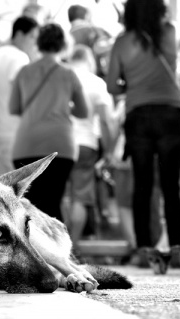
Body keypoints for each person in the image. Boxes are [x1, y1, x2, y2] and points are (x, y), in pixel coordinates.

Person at [106, 0, 180, 261]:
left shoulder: (122, 41)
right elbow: (174, 63)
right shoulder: (171, 31)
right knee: (171, 185)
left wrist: (131, 84)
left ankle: (144, 248)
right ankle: (176, 247)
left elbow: (112, 86)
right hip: (171, 111)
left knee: (143, 183)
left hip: (138, 114)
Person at [10, 23, 88, 222]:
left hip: (27, 144)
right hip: (61, 145)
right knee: (53, 205)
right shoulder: (69, 74)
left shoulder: (24, 72)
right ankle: (56, 251)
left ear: (38, 43)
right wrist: (61, 107)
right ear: (63, 44)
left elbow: (14, 108)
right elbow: (83, 111)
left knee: (29, 209)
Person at [65, 44, 115, 249]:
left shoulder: (61, 76)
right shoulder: (97, 83)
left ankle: (55, 246)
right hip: (86, 145)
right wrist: (110, 150)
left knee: (60, 196)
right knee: (80, 197)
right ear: (89, 60)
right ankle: (71, 247)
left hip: (60, 142)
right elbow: (105, 120)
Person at [0, 16, 39, 178]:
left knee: (3, 188)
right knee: (18, 192)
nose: (35, 43)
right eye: (32, 37)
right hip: (14, 135)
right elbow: (23, 96)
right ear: (19, 34)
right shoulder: (19, 58)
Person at [67, 4, 113, 78]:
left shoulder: (65, 38)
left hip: (75, 80)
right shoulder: (97, 31)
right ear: (86, 16)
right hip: (101, 79)